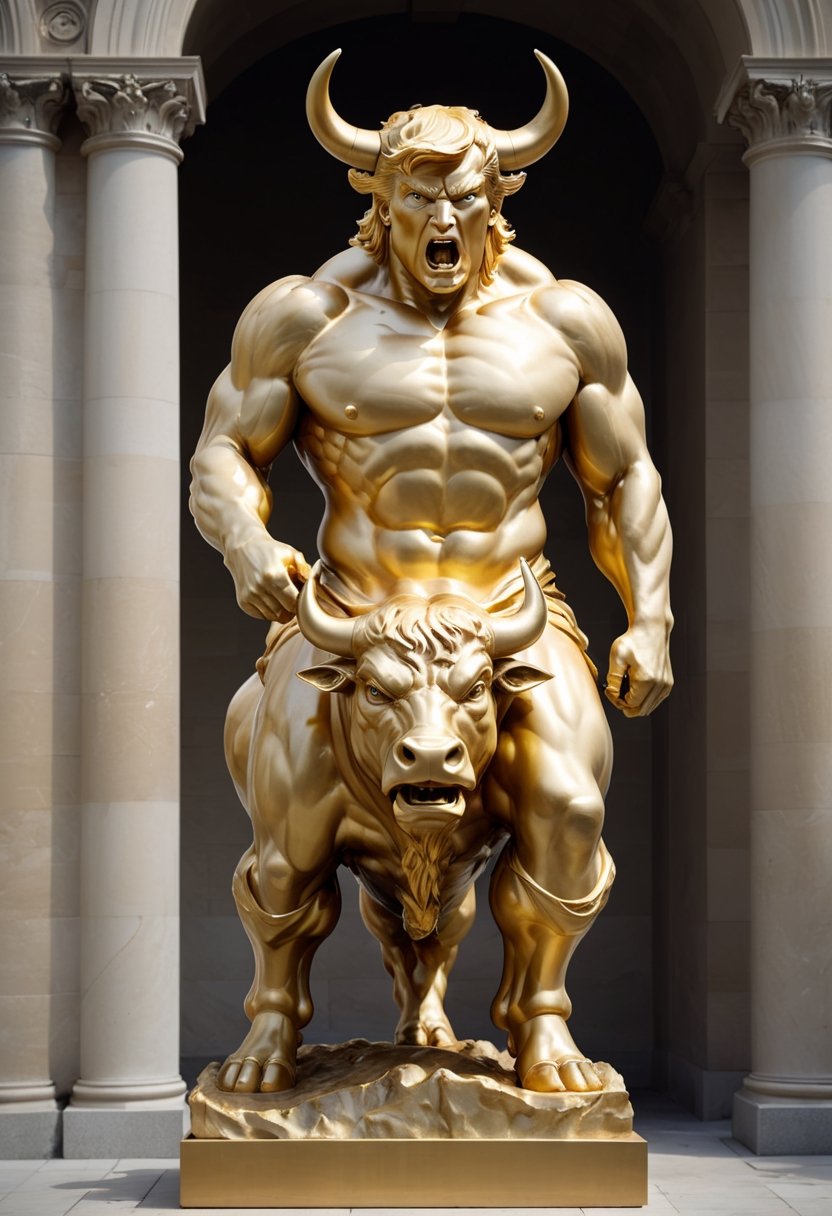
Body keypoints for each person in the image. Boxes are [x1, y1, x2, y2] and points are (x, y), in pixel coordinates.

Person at [190, 49, 673, 1095]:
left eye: (465, 192)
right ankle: (273, 1013)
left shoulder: (563, 322)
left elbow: (623, 477)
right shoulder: (305, 317)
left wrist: (651, 618)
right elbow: (222, 454)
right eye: (421, 194)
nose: (445, 217)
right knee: (290, 821)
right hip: (349, 613)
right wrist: (245, 543)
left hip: (512, 612)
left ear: (498, 194)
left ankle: (538, 1013)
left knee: (568, 806)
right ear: (381, 199)